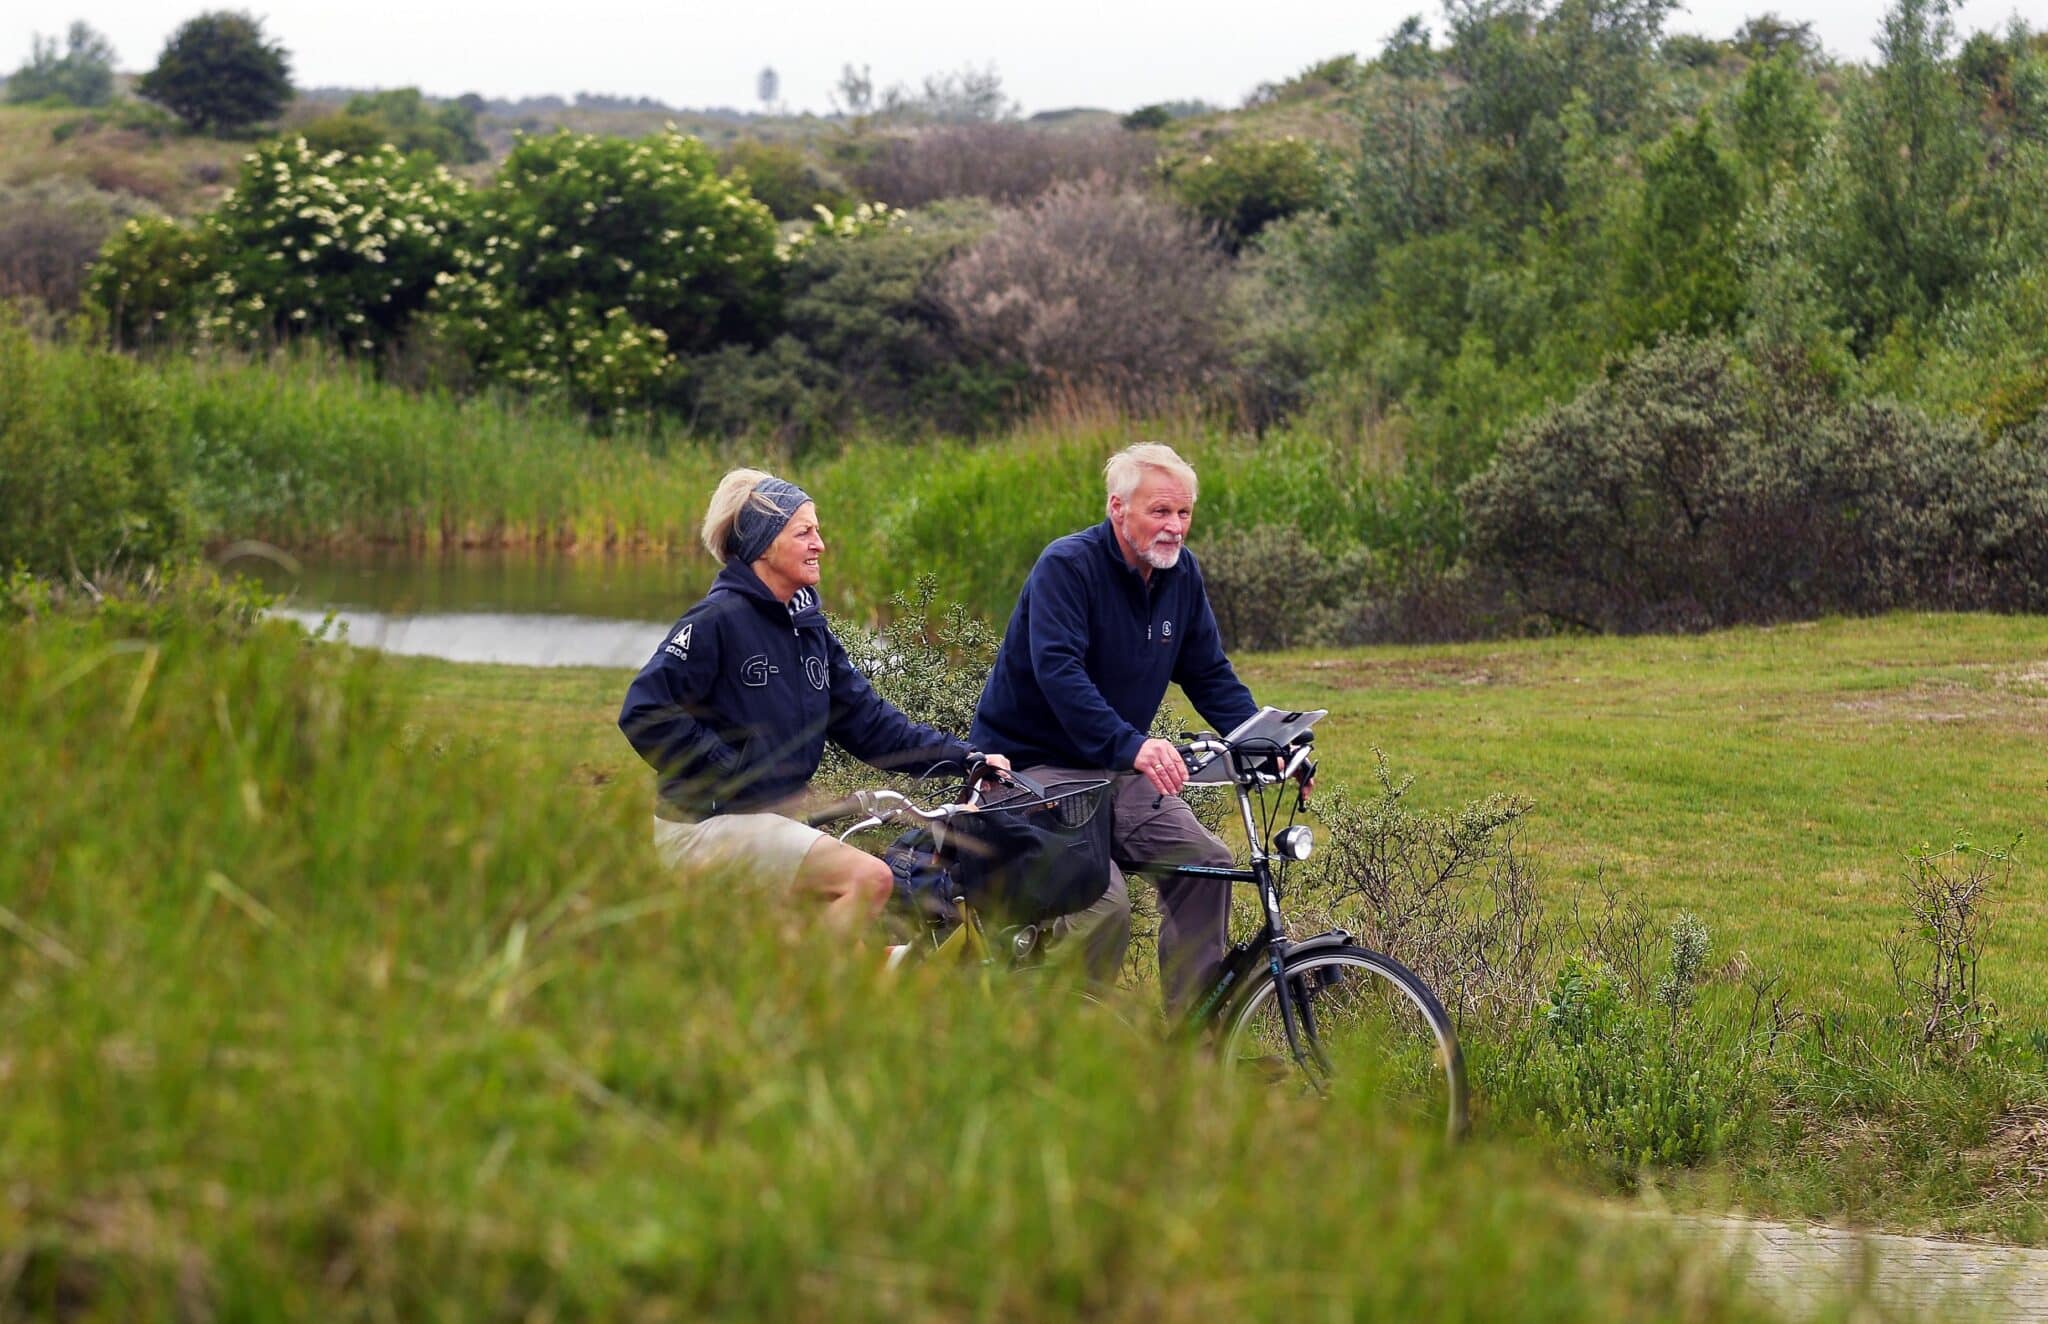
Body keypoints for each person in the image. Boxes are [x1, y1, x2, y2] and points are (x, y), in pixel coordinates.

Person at [619, 468, 1005, 930]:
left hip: (769, 827)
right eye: (804, 532)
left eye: (817, 531)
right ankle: (797, 998)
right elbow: (644, 711)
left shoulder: (807, 629)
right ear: (763, 545)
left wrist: (965, 757)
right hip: (703, 827)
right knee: (869, 879)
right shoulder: (716, 621)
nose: (819, 544)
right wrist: (733, 770)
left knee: (864, 954)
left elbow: (872, 726)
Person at [969, 442, 1267, 1013]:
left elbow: (1208, 673)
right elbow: (1061, 675)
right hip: (1030, 770)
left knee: (1207, 866)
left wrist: (1265, 740)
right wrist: (1131, 745)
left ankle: (1195, 1047)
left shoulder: (1180, 576)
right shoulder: (1067, 567)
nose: (1174, 527)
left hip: (1112, 769)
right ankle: (1056, 1045)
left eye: (1183, 513)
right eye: (1160, 511)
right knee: (1102, 904)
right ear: (1117, 509)